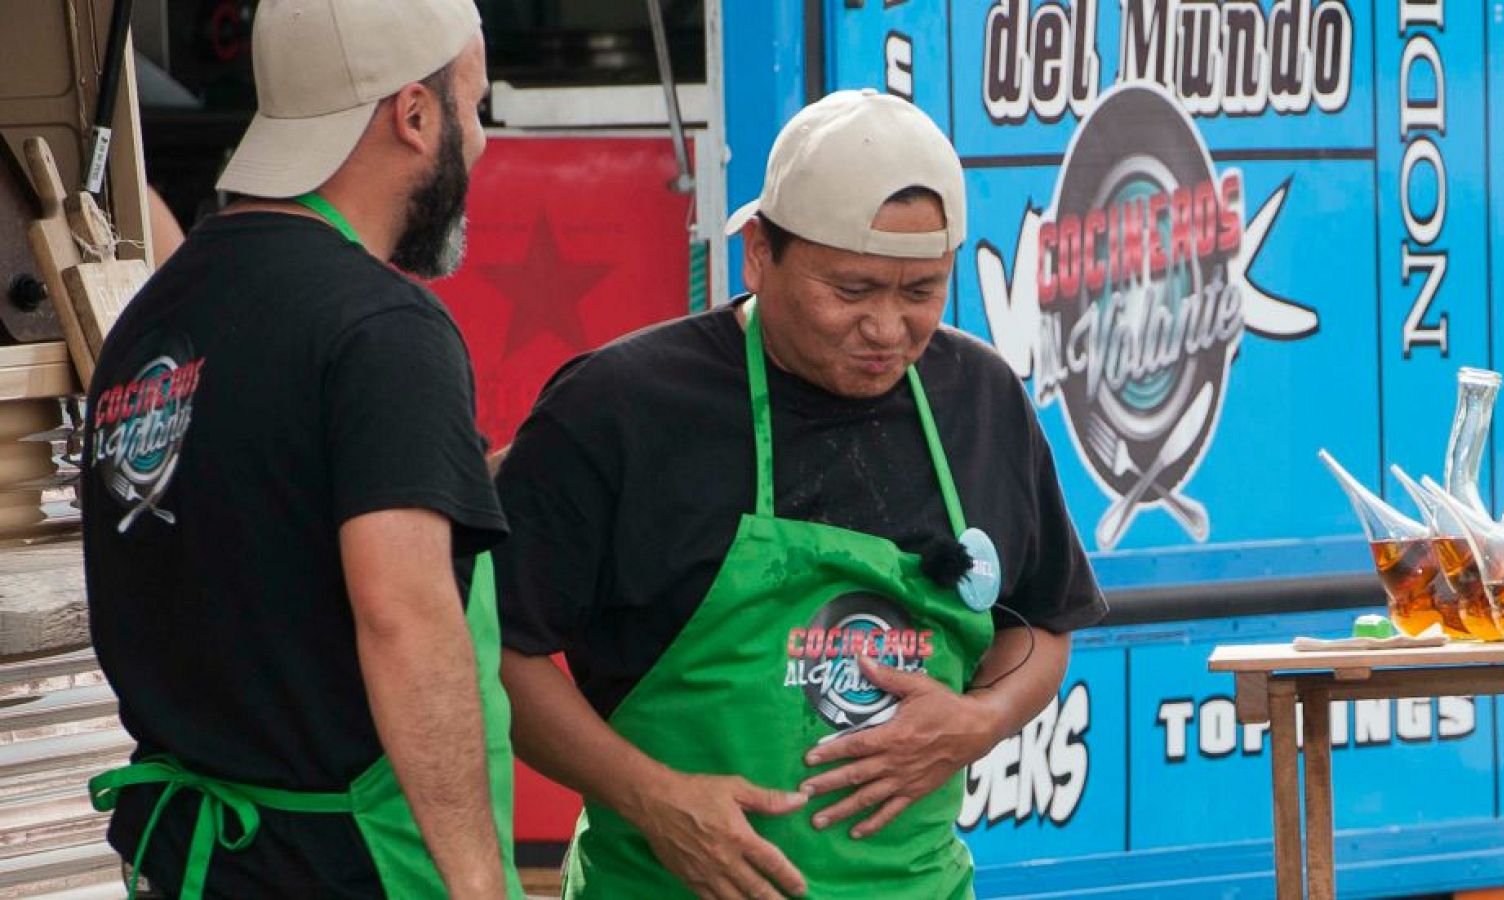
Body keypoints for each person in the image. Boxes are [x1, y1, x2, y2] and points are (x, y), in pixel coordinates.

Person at [494, 88, 1108, 900]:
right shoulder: (619, 409)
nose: (889, 329)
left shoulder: (982, 398)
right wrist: (655, 799)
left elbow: (1045, 624)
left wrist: (981, 719)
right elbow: (500, 651)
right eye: (851, 292)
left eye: (921, 291)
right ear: (757, 253)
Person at [81, 1, 518, 897]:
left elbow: (259, 535)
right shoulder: (383, 328)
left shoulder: (156, 319)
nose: (479, 142)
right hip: (345, 869)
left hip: (186, 869)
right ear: (414, 114)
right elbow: (403, 616)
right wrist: (480, 884)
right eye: (473, 107)